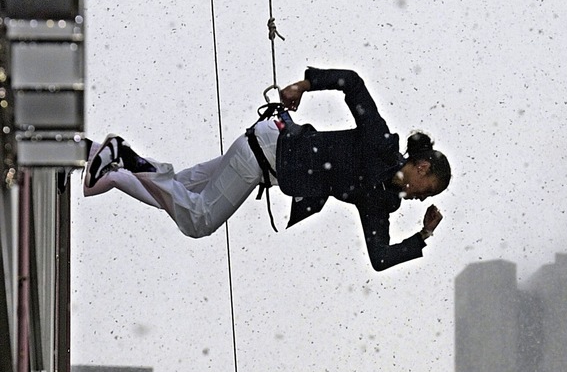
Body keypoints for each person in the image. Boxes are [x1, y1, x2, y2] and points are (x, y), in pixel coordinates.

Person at [84, 67, 451, 271]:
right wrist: (305, 85)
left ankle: (107, 163)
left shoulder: (380, 202)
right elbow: (352, 83)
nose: (421, 198)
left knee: (173, 190)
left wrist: (422, 236)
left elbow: (380, 257)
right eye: (427, 188)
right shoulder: (380, 143)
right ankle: (126, 157)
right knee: (198, 221)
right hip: (267, 154)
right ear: (420, 166)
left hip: (265, 151)